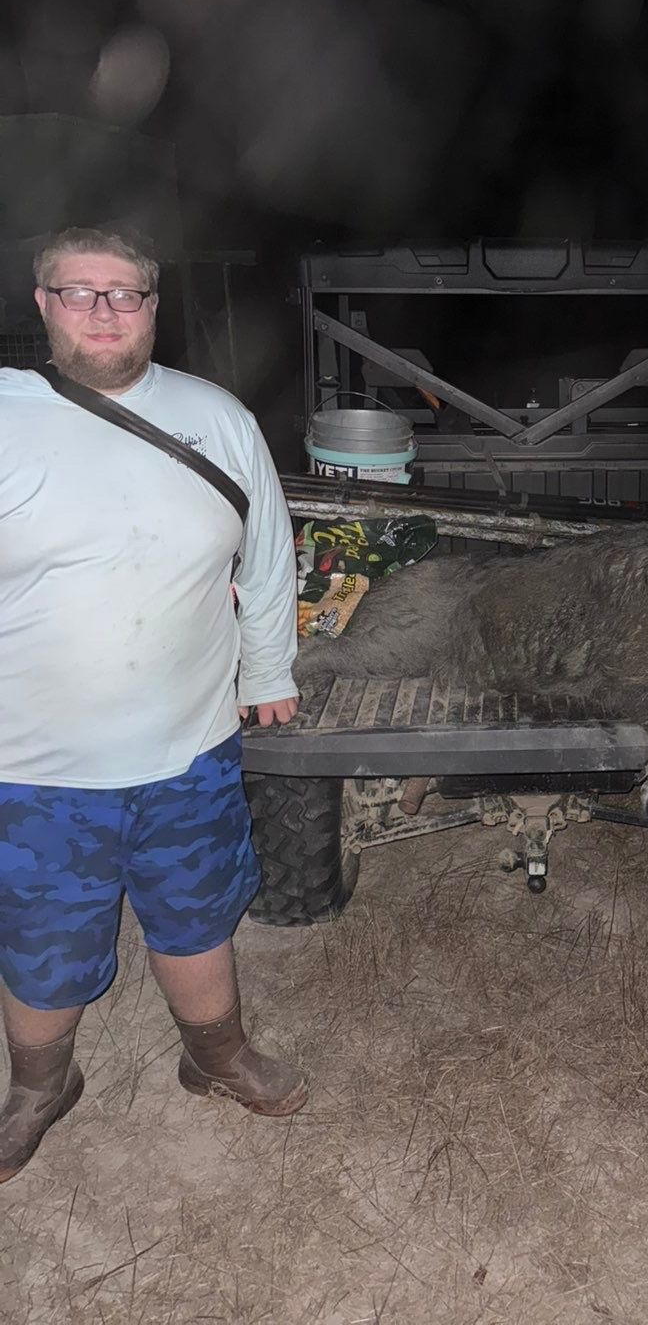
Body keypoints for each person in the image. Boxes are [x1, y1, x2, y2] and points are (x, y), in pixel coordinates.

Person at [0, 227, 306, 1184]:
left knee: (198, 917)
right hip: (34, 767)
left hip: (192, 751)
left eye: (124, 293)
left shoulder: (216, 417)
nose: (103, 311)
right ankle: (39, 1086)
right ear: (43, 303)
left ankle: (216, 1057)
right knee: (42, 941)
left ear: (152, 307)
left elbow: (266, 557)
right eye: (78, 291)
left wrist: (268, 673)